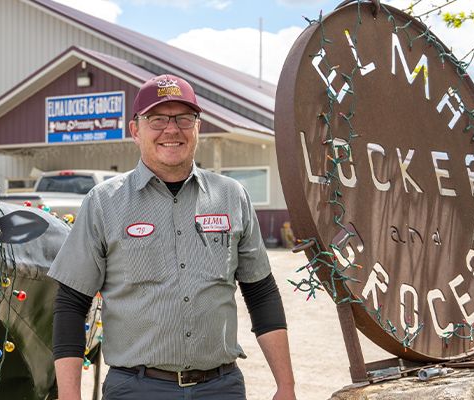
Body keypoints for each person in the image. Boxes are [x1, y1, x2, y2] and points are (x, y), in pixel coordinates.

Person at [48, 74, 296, 400]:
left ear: (197, 128)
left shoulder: (232, 196)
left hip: (221, 388)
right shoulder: (103, 203)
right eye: (158, 119)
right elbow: (71, 304)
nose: (172, 129)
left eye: (183, 118)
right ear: (135, 130)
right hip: (136, 388)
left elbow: (261, 293)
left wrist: (286, 386)